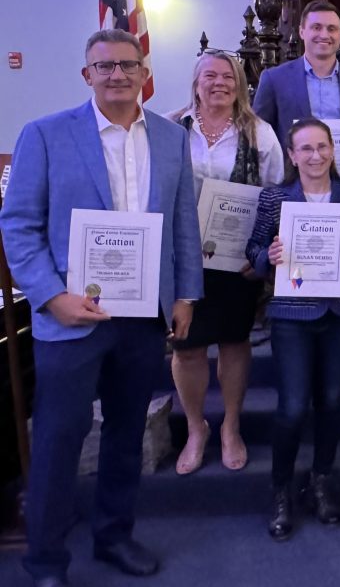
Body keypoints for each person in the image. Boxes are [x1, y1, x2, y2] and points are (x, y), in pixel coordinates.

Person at [0, 29, 203, 585]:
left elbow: (183, 223)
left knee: (124, 434)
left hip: (141, 318)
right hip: (70, 318)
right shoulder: (44, 135)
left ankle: (114, 536)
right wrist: (50, 296)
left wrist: (184, 295)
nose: (117, 74)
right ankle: (44, 560)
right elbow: (18, 225)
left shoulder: (169, 138)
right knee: (59, 439)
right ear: (86, 74)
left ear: (144, 72)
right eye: (104, 66)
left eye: (127, 65)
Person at [168, 49, 285, 475]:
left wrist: (261, 253)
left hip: (237, 262)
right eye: (209, 76)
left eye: (228, 77)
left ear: (239, 85)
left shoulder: (260, 133)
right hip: (184, 259)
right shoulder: (169, 128)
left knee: (235, 341)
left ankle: (231, 426)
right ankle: (197, 426)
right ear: (196, 83)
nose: (219, 83)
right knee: (188, 346)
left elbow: (276, 194)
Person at [246, 118, 340, 541]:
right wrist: (269, 255)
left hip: (338, 314)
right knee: (294, 405)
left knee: (331, 399)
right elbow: (253, 249)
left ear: (333, 150)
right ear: (292, 155)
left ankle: (321, 478)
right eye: (305, 149)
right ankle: (280, 489)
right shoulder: (276, 198)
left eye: (322, 147)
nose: (315, 156)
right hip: (292, 315)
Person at [253, 0, 340, 147]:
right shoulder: (274, 79)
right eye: (316, 27)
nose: (324, 35)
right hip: (292, 169)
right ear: (302, 31)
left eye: (332, 29)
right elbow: (259, 136)